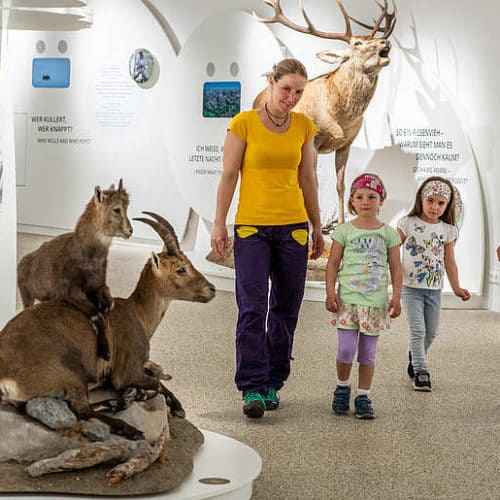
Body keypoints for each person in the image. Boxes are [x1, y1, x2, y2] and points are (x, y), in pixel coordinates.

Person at [210, 58, 324, 419]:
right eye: (286, 88)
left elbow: (308, 180)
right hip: (252, 230)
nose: (292, 97)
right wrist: (218, 224)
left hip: (293, 229)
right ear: (272, 83)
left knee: (286, 309)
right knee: (253, 308)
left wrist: (317, 227)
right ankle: (252, 387)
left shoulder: (304, 126)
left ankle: (274, 380)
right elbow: (229, 176)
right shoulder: (243, 124)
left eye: (299, 92)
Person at [326, 173, 402, 419]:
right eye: (360, 196)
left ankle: (363, 396)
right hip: (348, 301)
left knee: (368, 353)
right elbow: (333, 263)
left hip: (374, 304)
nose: (366, 201)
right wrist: (329, 291)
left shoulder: (389, 233)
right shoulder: (344, 231)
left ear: (381, 200)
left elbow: (396, 267)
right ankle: (342, 387)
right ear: (352, 201)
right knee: (346, 350)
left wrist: (396, 296)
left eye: (372, 196)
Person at [398, 176, 471, 392]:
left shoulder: (447, 230)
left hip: (434, 290)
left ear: (447, 205)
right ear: (421, 199)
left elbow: (450, 261)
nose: (435, 207)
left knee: (431, 332)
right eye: (430, 201)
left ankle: (415, 355)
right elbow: (393, 246)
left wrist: (456, 287)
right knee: (418, 331)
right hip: (410, 288)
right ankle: (421, 370)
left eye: (441, 203)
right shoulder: (407, 223)